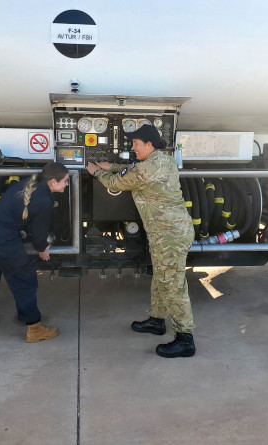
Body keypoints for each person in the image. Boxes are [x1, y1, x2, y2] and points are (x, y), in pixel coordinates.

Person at [86, 124, 196, 358]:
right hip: (167, 232)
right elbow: (132, 169)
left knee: (173, 284)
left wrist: (96, 171)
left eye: (136, 144)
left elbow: (117, 183)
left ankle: (185, 338)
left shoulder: (148, 169)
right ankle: (157, 321)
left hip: (170, 236)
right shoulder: (162, 160)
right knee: (161, 278)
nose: (132, 147)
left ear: (149, 144)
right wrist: (114, 165)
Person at [0, 162, 70, 343]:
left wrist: (17, 229)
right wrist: (43, 249)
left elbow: (10, 212)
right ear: (53, 182)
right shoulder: (44, 200)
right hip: (2, 238)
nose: (67, 184)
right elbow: (39, 236)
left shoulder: (29, 184)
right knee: (25, 278)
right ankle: (34, 329)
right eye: (65, 181)